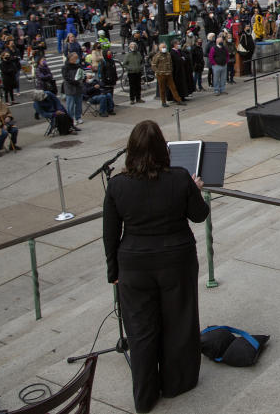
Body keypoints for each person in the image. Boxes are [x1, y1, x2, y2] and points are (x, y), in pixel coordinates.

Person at [103, 120, 208, 414]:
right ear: (164, 149)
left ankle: (145, 395)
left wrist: (114, 272)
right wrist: (195, 189)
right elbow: (199, 216)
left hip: (134, 265)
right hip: (176, 260)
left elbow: (110, 233)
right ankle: (177, 382)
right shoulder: (179, 178)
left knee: (141, 330)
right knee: (180, 322)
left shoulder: (118, 185)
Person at [151, 43, 185, 108]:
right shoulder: (157, 56)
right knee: (162, 89)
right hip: (161, 75)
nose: (164, 48)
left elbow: (171, 63)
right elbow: (153, 65)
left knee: (173, 87)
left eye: (164, 47)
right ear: (159, 48)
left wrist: (170, 70)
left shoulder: (168, 54)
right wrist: (158, 72)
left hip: (169, 74)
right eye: (162, 47)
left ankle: (178, 100)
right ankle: (163, 102)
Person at [62, 52, 84, 125]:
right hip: (70, 88)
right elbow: (66, 78)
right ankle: (71, 118)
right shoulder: (65, 67)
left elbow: (82, 74)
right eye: (76, 58)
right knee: (70, 105)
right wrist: (75, 82)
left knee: (79, 104)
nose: (77, 60)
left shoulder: (78, 66)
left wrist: (82, 79)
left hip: (78, 88)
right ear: (71, 59)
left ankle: (78, 117)